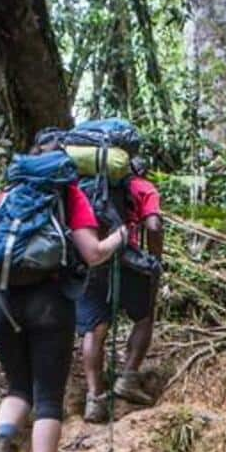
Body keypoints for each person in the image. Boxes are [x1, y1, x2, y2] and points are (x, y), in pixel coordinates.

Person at [0, 133, 128, 452]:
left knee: (17, 387)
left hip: (1, 302)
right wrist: (119, 238)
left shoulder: (8, 196)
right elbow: (92, 254)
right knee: (47, 397)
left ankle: (5, 440)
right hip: (49, 303)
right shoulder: (68, 194)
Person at [76, 168, 164, 424]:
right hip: (130, 261)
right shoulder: (143, 187)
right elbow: (154, 225)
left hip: (92, 262)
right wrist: (155, 260)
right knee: (144, 316)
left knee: (94, 329)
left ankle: (95, 398)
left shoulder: (81, 186)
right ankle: (128, 377)